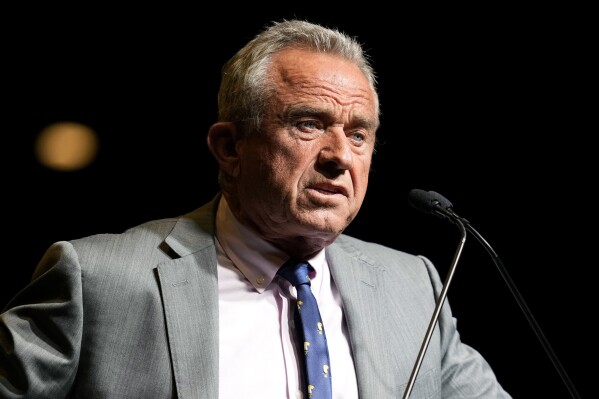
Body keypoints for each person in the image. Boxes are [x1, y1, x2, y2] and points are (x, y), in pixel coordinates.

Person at [0, 19, 512, 399]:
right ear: (229, 146)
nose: (339, 158)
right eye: (308, 124)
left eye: (359, 134)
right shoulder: (97, 281)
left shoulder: (415, 287)